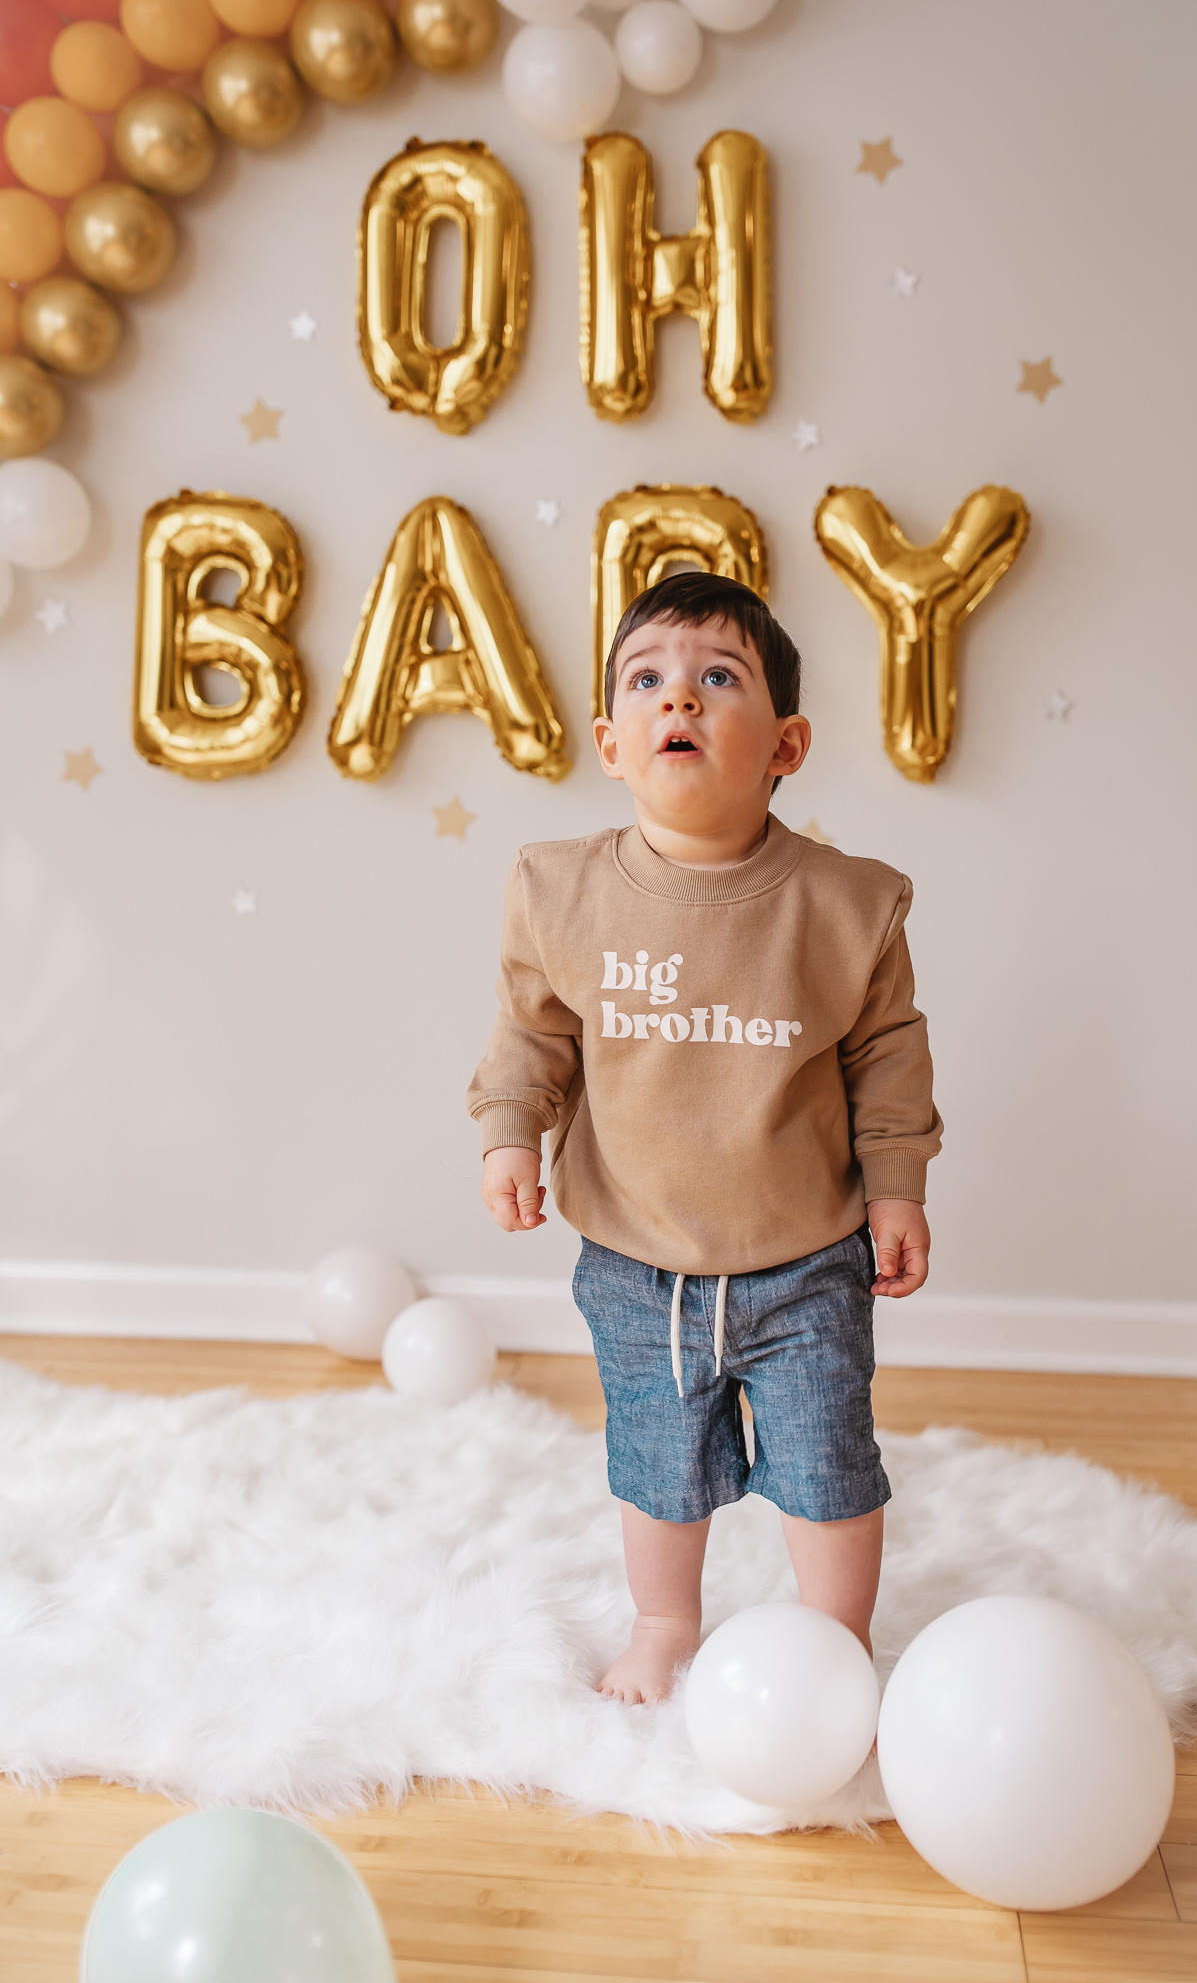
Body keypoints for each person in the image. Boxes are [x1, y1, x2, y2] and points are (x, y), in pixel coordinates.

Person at [467, 572, 942, 1704]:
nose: (678, 699)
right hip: (637, 1256)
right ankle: (665, 1622)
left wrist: (898, 1187)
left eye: (716, 678)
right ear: (612, 742)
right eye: (649, 681)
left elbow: (887, 1057)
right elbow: (532, 1032)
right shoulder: (559, 888)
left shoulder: (847, 904)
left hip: (806, 1258)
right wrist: (510, 1134)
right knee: (656, 1465)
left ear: (786, 743)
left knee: (830, 1465)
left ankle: (837, 1638)